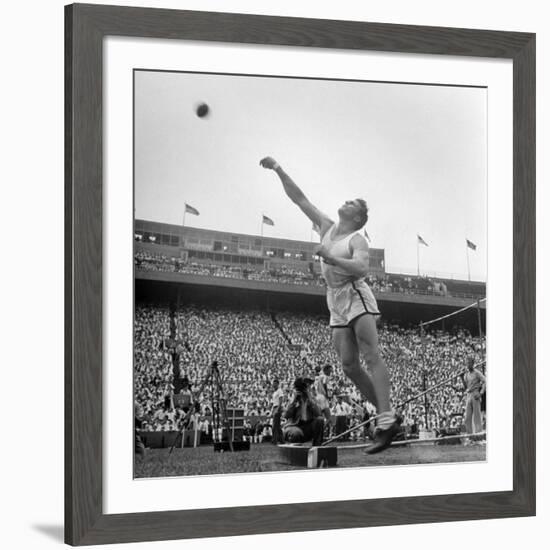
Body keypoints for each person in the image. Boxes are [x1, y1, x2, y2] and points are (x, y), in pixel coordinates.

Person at [260, 156, 398, 453]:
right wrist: (278, 169)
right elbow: (300, 199)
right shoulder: (326, 225)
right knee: (349, 366)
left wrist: (330, 256)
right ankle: (389, 416)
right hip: (335, 299)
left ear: (358, 218)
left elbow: (361, 269)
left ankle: (385, 422)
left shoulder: (357, 239)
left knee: (371, 356)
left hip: (355, 293)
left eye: (352, 203)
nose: (345, 202)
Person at [282, 377, 325, 446]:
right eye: (306, 387)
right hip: (294, 426)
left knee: (320, 420)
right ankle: (297, 452)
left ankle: (317, 448)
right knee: (296, 433)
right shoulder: (292, 398)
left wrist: (310, 400)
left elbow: (318, 414)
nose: (307, 389)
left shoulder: (312, 399)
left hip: (307, 427)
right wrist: (294, 401)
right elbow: (286, 415)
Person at [462, 357, 486, 437]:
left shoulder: (477, 373)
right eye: (467, 363)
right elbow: (466, 387)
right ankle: (470, 436)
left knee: (477, 417)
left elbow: (485, 381)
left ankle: (479, 436)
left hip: (476, 394)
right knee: (467, 418)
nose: (467, 365)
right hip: (468, 395)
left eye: (469, 363)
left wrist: (481, 392)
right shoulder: (466, 374)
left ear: (472, 364)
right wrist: (462, 378)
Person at [314, 364, 333, 433]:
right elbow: (325, 384)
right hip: (323, 397)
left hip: (318, 396)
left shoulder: (319, 377)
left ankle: (319, 431)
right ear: (326, 370)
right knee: (329, 418)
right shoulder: (325, 377)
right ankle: (319, 431)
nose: (330, 373)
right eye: (330, 371)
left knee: (320, 418)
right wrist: (328, 396)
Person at [270, 379, 285, 444]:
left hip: (277, 407)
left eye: (275, 384)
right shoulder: (274, 392)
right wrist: (272, 411)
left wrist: (278, 409)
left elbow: (281, 400)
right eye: (273, 384)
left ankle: (275, 440)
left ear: (277, 384)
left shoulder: (279, 391)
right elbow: (273, 403)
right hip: (274, 407)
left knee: (274, 426)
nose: (273, 385)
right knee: (278, 426)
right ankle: (281, 440)